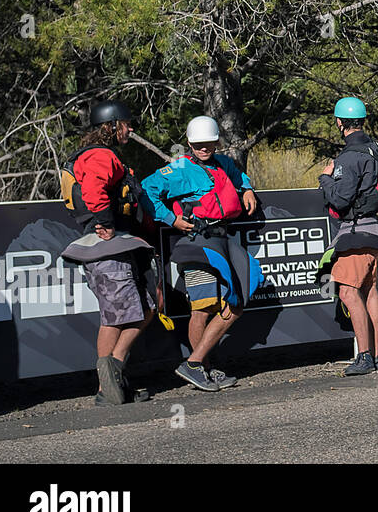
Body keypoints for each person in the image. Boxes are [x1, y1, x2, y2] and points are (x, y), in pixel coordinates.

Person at [141, 115, 259, 393]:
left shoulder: (224, 164)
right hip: (195, 243)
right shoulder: (180, 168)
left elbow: (238, 176)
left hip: (223, 241)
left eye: (208, 143)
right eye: (197, 144)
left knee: (235, 303)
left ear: (217, 141)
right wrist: (172, 219)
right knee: (203, 307)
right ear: (189, 144)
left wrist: (248, 188)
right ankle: (201, 367)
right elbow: (147, 189)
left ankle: (197, 364)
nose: (203, 148)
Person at [59, 100, 156, 405]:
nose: (130, 129)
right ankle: (107, 386)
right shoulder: (100, 155)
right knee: (114, 318)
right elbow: (94, 190)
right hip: (107, 244)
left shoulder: (102, 155)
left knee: (148, 306)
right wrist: (104, 223)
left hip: (118, 243)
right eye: (126, 124)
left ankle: (113, 378)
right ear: (111, 127)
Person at [319, 97, 378, 377]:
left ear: (339, 122)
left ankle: (364, 356)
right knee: (370, 291)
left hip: (355, 232)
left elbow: (340, 200)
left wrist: (326, 178)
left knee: (349, 292)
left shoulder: (349, 157)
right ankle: (376, 355)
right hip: (376, 231)